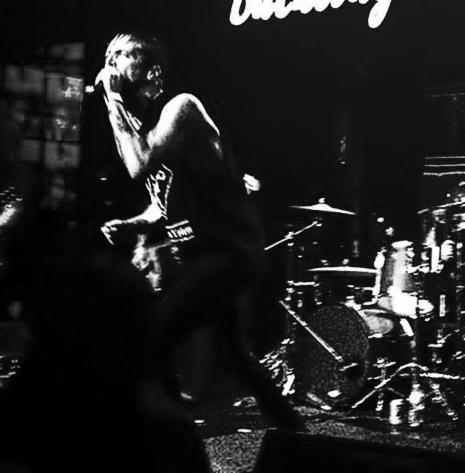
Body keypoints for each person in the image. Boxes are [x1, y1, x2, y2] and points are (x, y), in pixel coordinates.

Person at [94, 32, 304, 469]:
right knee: (235, 357)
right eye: (109, 56)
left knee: (152, 336)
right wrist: (131, 224)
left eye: (121, 55)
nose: (110, 63)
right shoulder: (147, 126)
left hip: (228, 250)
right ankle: (297, 436)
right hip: (207, 255)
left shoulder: (182, 108)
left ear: (152, 71)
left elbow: (138, 165)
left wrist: (112, 102)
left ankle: (169, 446)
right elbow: (160, 202)